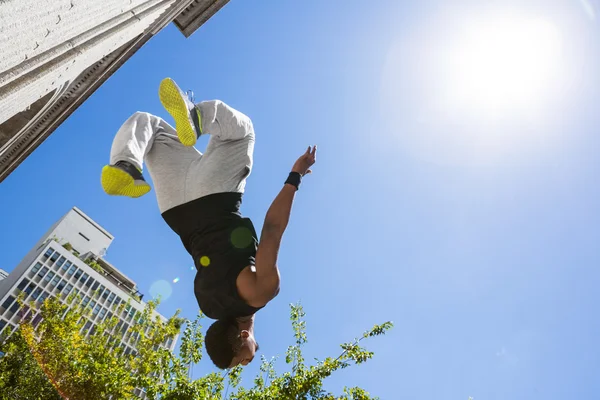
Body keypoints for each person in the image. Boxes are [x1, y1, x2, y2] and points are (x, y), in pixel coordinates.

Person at [100, 78, 316, 369]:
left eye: (245, 359)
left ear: (242, 337)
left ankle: (195, 115)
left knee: (242, 134)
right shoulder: (208, 305)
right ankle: (125, 165)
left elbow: (272, 230)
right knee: (148, 124)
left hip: (216, 197)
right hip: (176, 209)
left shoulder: (260, 290)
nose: (250, 359)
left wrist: (295, 176)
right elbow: (226, 288)